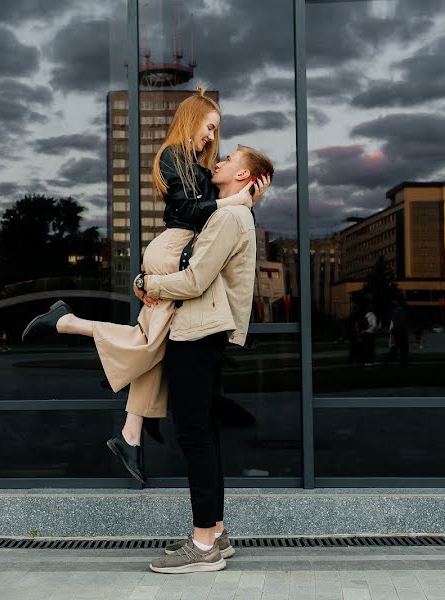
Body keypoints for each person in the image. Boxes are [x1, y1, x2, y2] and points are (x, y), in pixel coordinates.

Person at [21, 88, 270, 482]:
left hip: (180, 249)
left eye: (215, 132)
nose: (211, 138)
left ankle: (132, 433)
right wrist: (237, 203)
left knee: (157, 343)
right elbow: (191, 211)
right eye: (209, 128)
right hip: (173, 250)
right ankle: (66, 322)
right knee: (149, 340)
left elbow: (220, 201)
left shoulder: (197, 166)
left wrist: (245, 196)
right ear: (192, 120)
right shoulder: (172, 157)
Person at [138, 147, 275, 574]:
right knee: (206, 435)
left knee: (194, 436)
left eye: (230, 158)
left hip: (196, 334)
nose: (219, 160)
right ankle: (214, 532)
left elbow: (196, 279)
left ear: (245, 174)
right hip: (206, 334)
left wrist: (150, 283)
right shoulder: (237, 215)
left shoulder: (229, 218)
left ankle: (202, 547)